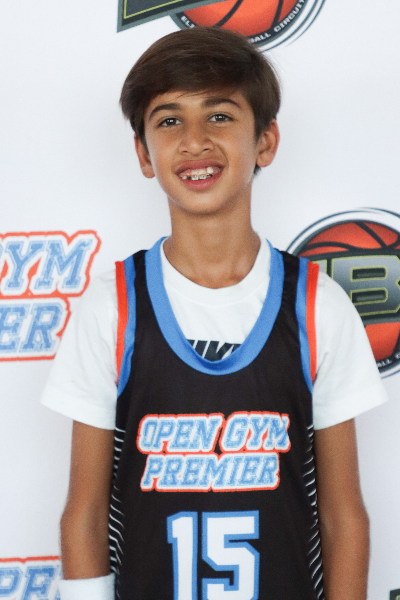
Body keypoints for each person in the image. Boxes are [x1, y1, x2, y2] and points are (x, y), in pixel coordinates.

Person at [41, 26, 388, 600]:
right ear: (143, 154)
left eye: (220, 116)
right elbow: (85, 512)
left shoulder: (316, 306)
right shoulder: (114, 307)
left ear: (266, 141)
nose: (194, 141)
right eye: (169, 121)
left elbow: (343, 514)